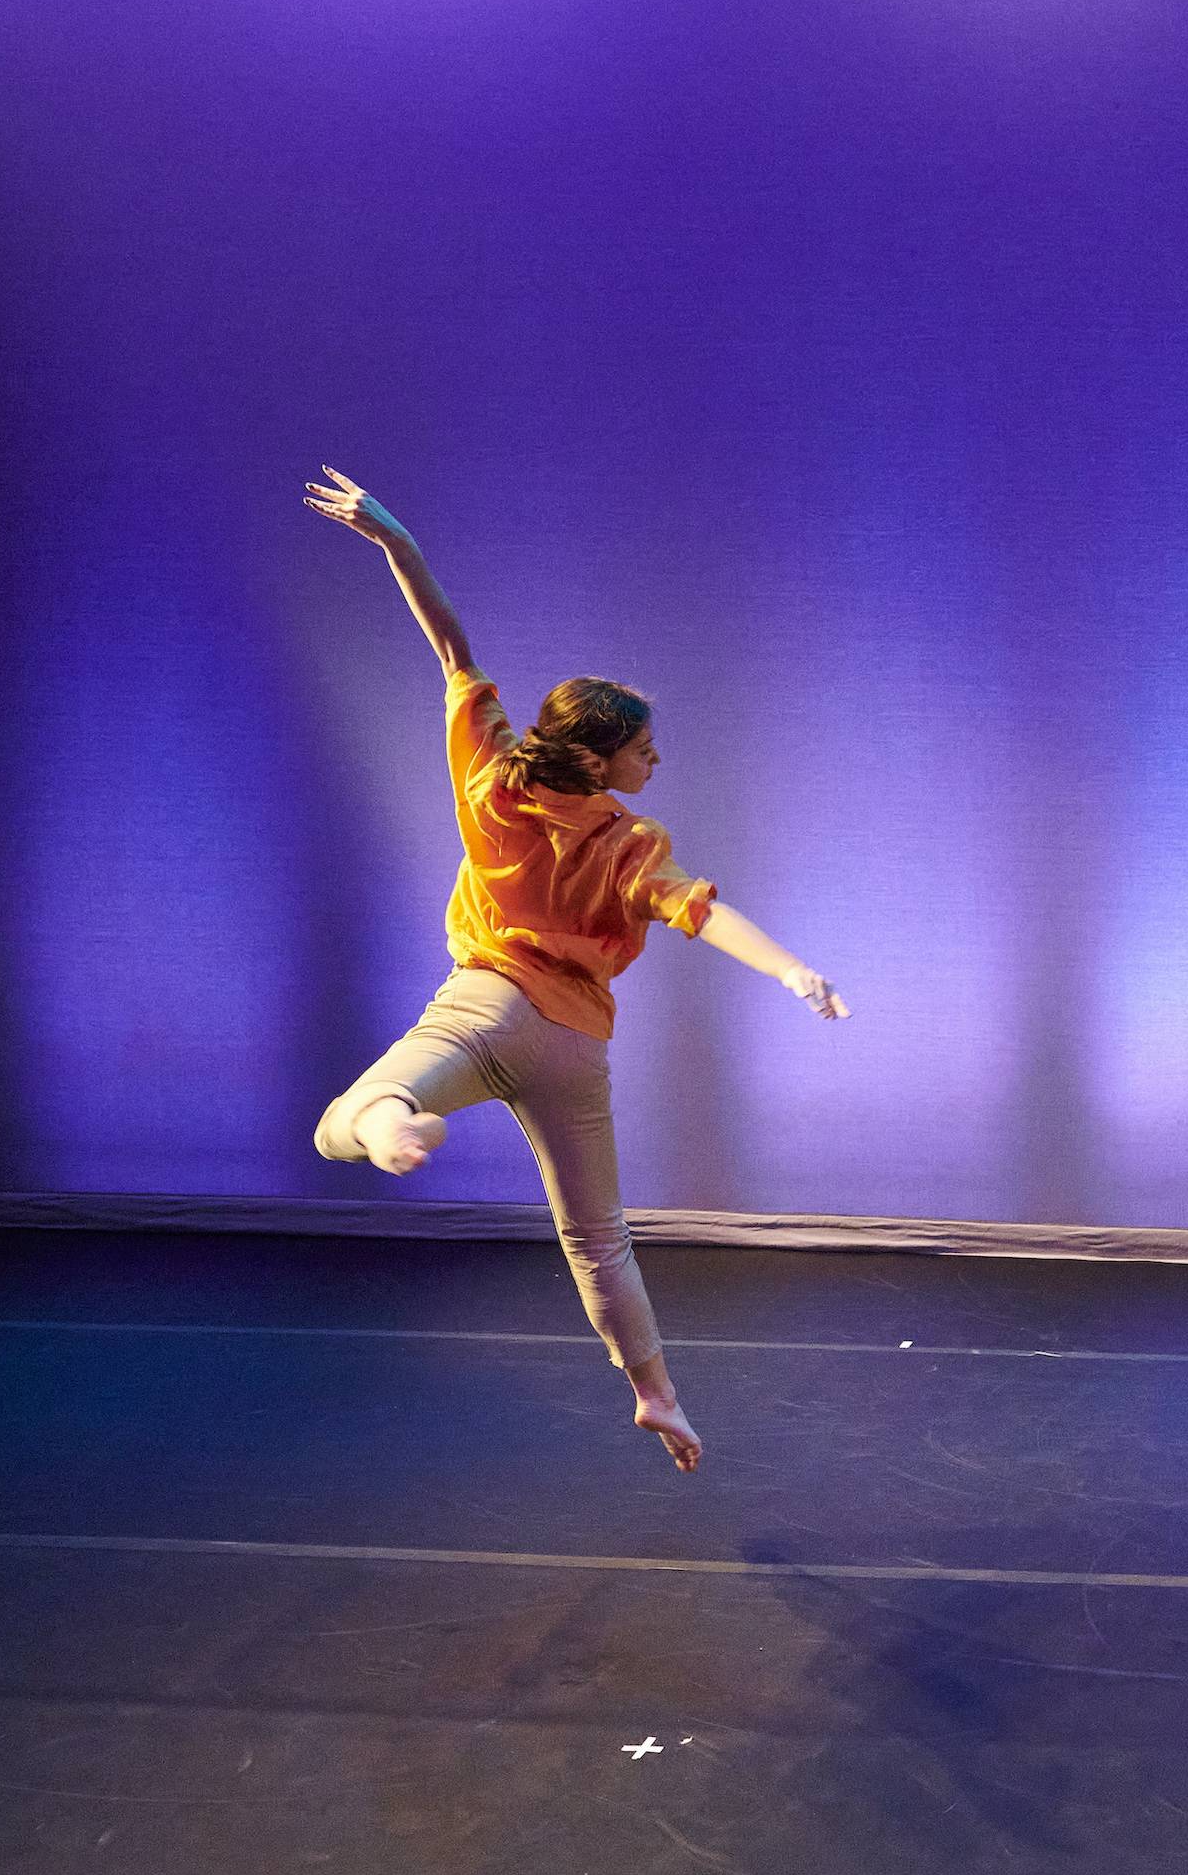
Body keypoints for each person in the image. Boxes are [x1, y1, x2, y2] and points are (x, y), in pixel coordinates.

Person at [303, 466, 848, 1474]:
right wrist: (792, 973)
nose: (655, 761)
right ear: (600, 762)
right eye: (644, 748)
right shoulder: (632, 842)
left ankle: (393, 1127)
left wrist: (395, 542)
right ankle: (656, 1394)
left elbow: (450, 642)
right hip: (570, 1046)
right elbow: (705, 915)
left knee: (346, 1120)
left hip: (483, 1005)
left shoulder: (490, 779)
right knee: (598, 1242)